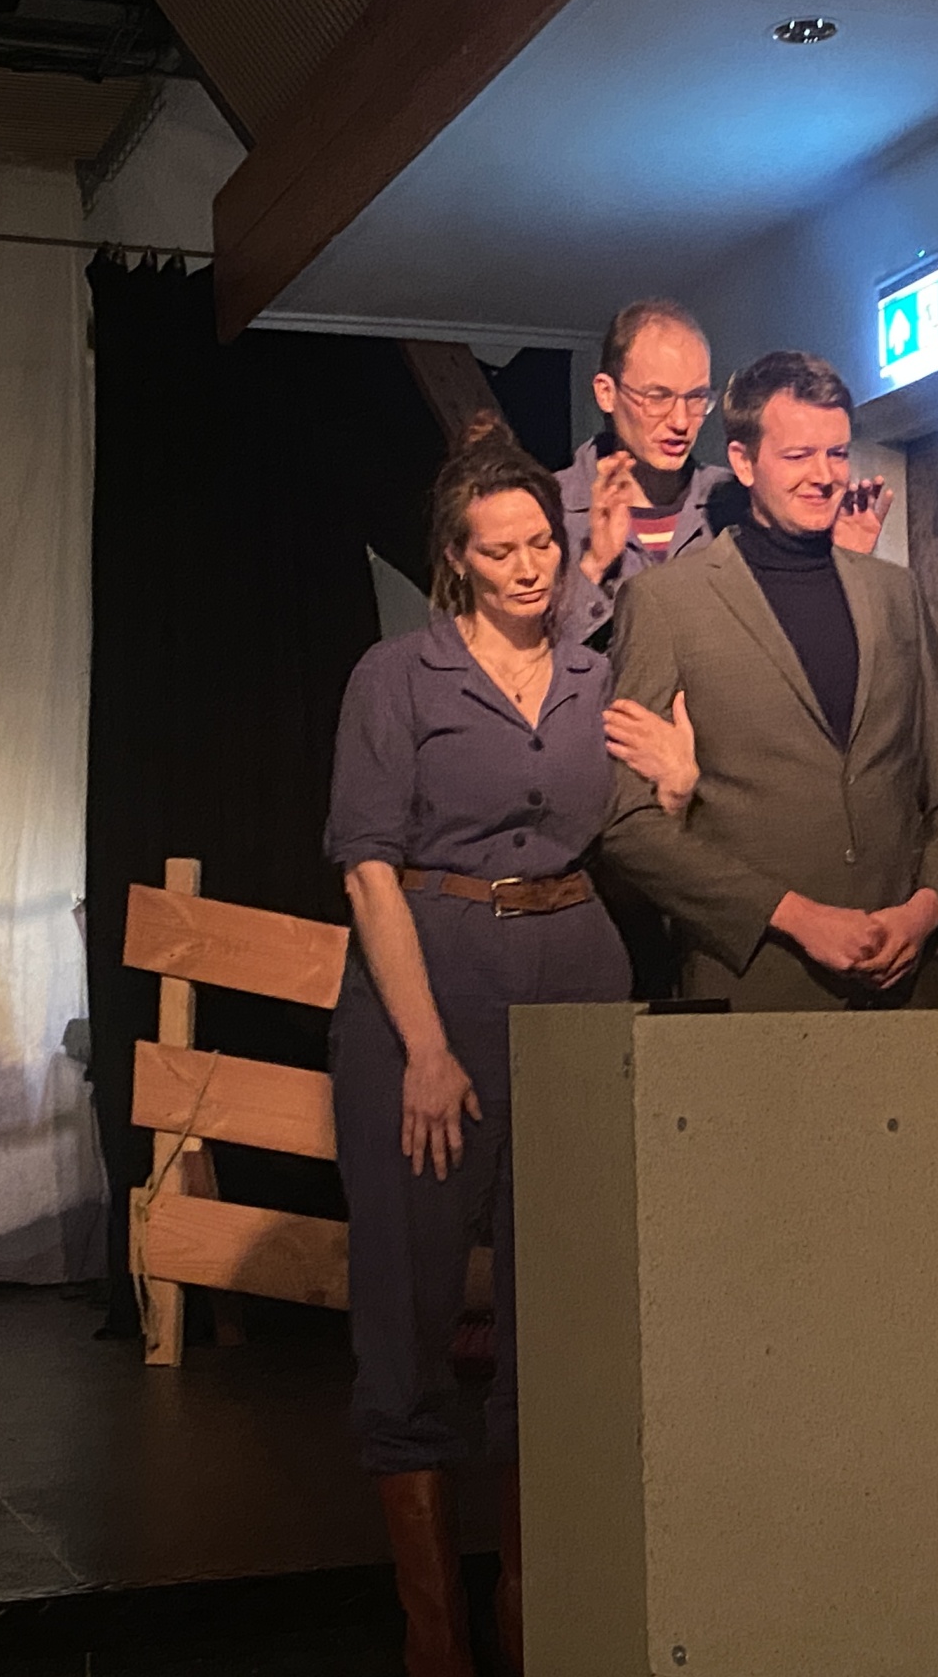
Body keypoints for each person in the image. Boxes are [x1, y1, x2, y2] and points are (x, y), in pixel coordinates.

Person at [325, 433, 697, 1677]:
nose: (530, 566)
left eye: (543, 542)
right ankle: (434, 1630)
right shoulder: (398, 676)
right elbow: (367, 867)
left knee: (562, 1300)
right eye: (501, 551)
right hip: (429, 984)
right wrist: (425, 1048)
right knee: (410, 1293)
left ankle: (534, 1607)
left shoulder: (599, 675)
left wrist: (680, 784)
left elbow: (645, 830)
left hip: (575, 978)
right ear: (457, 561)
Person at [599, 351, 938, 1010]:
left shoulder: (894, 594)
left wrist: (925, 913)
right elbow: (629, 826)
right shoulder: (667, 604)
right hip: (758, 989)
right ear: (744, 461)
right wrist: (798, 918)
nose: (824, 475)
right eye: (798, 455)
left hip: (904, 988)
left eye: (837, 454)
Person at [560, 299, 891, 649]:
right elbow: (527, 666)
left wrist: (842, 565)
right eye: (658, 397)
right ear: (606, 392)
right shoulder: (548, 511)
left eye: (697, 398)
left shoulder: (741, 502)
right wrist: (594, 566)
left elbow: (798, 654)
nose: (680, 421)